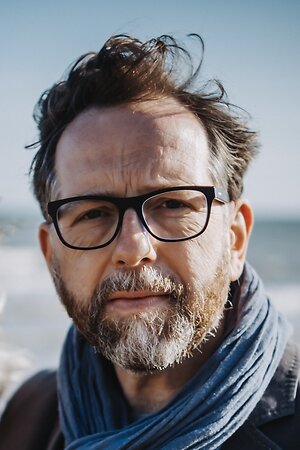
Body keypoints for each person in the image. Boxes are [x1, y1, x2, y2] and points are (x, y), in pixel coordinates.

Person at [0, 34, 299, 450]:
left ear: (235, 239)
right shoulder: (27, 416)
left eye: (173, 204)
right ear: (51, 254)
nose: (133, 247)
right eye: (93, 213)